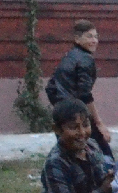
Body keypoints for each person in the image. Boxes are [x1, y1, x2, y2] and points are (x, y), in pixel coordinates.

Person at [44, 18, 113, 157]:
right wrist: (99, 123)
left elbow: (50, 88)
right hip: (78, 115)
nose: (94, 41)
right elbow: (85, 94)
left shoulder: (69, 57)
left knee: (67, 155)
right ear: (77, 39)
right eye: (89, 37)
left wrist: (60, 108)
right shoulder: (86, 59)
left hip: (63, 117)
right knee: (103, 156)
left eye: (96, 37)